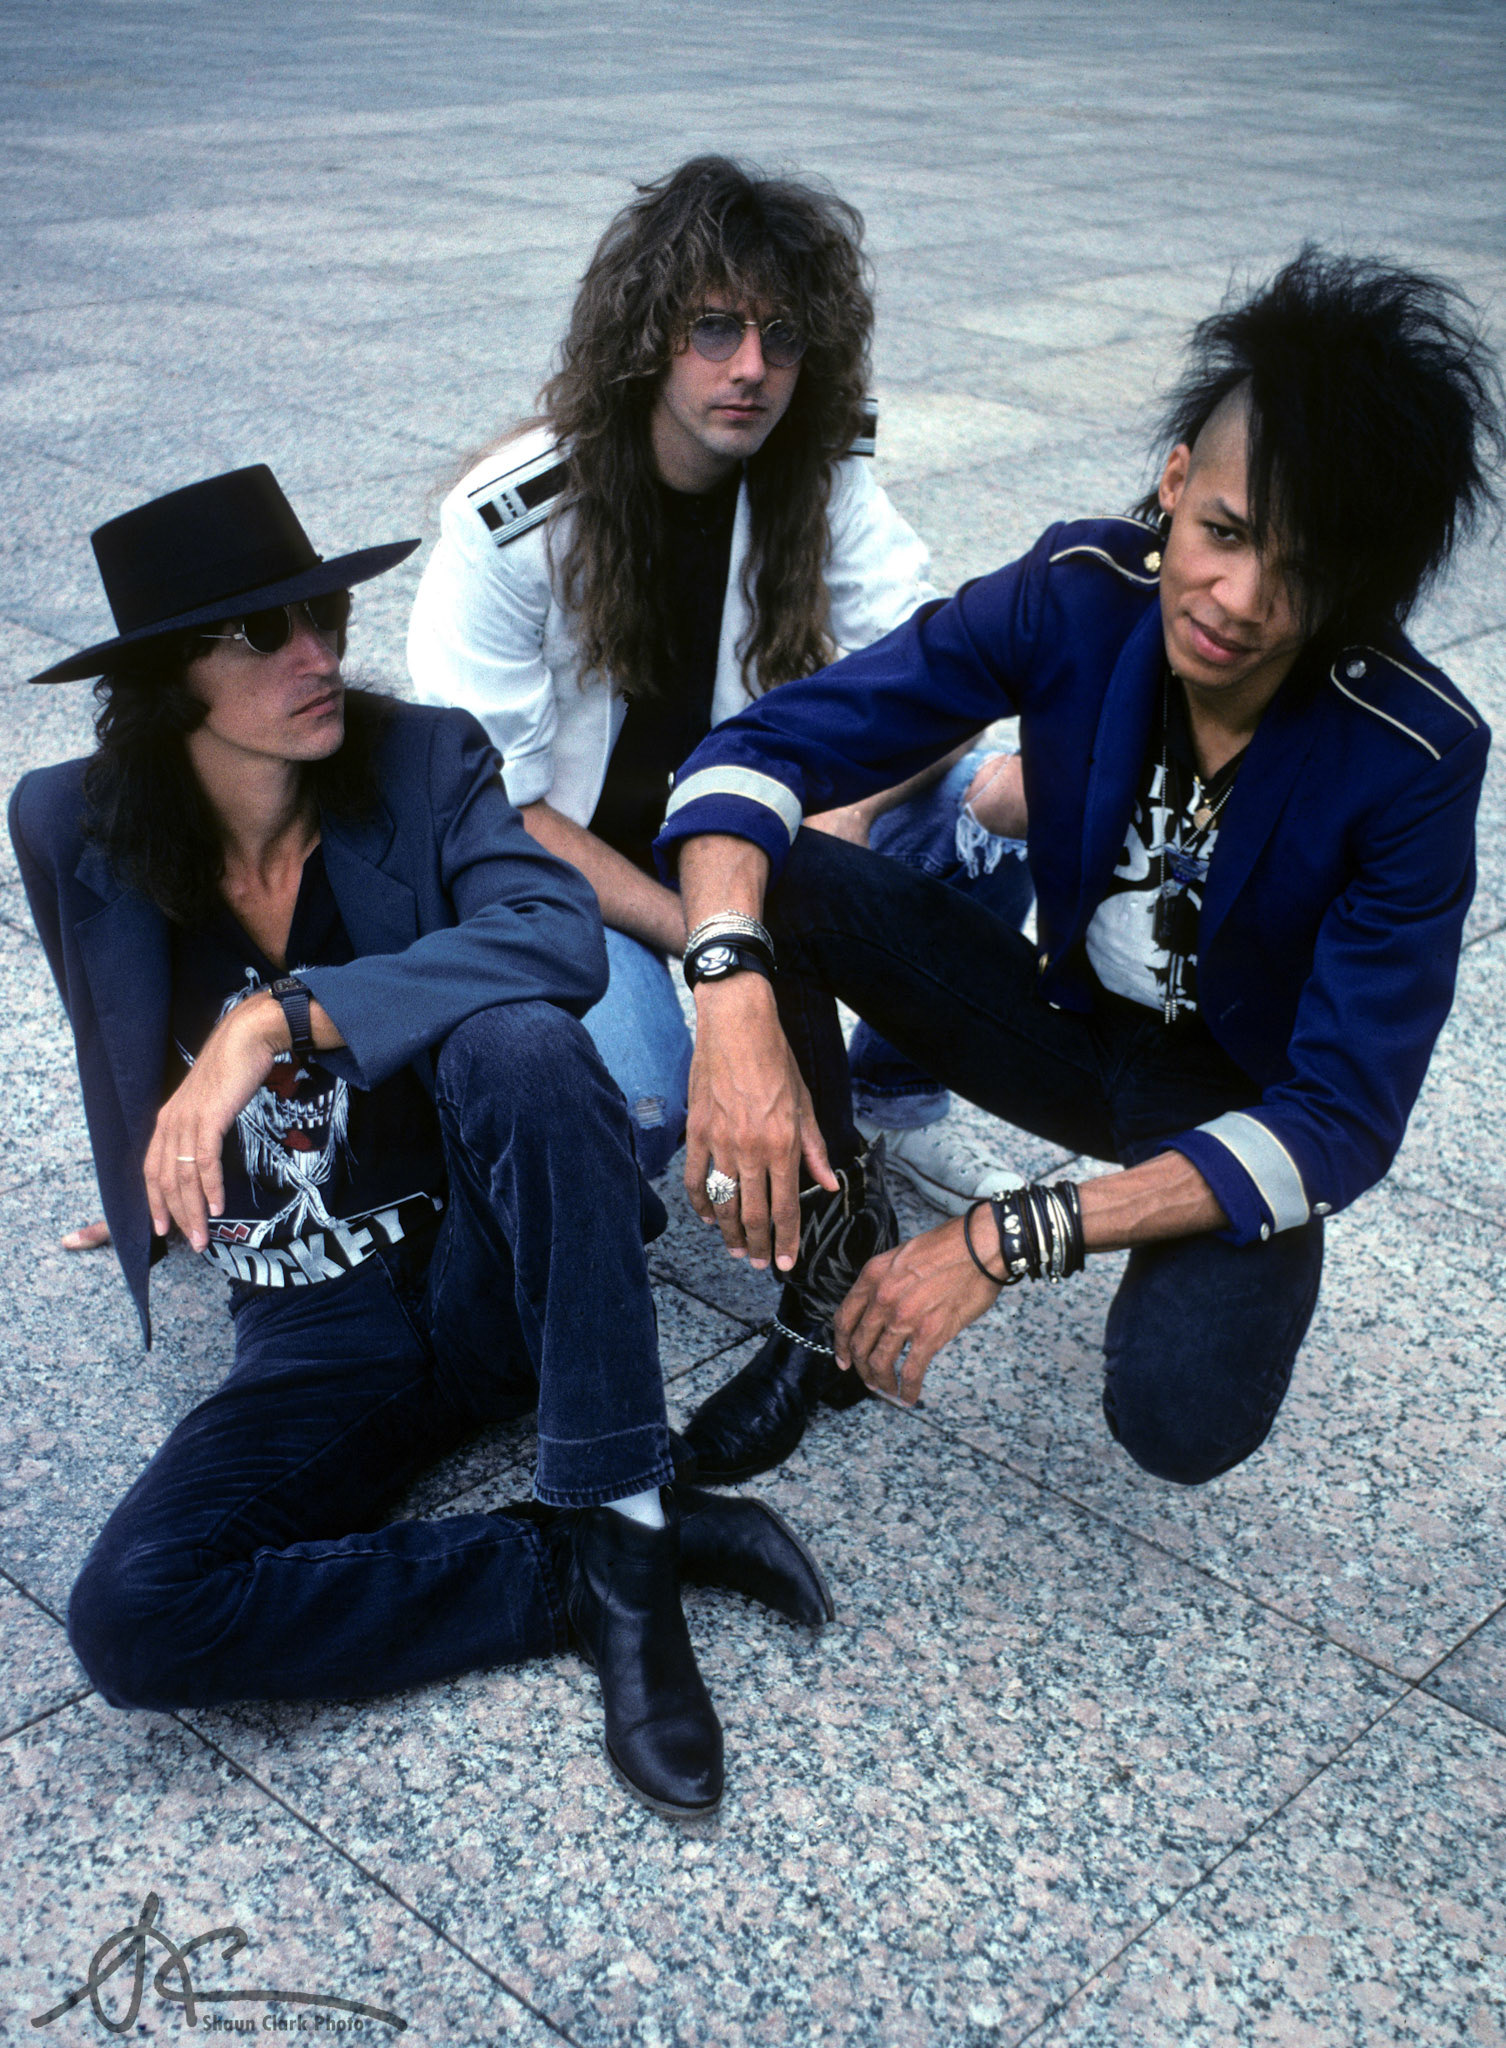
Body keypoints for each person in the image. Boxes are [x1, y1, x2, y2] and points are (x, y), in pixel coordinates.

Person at [10, 465, 835, 1819]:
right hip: (312, 1332)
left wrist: (271, 1025)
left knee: (519, 1040)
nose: (318, 653)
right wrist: (150, 1166)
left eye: (322, 615)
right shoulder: (70, 823)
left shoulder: (423, 759)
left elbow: (554, 937)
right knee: (132, 1622)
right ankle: (570, 1570)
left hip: (492, 1266)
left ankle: (620, 1512)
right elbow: (107, 1016)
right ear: (167, 678)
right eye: (261, 634)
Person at [655, 247, 1503, 1486]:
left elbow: (1343, 1116)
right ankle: (827, 1281)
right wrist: (726, 992)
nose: (1239, 598)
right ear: (1173, 485)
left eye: (1304, 570)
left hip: (1230, 1097)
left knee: (1181, 1414)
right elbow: (759, 748)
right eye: (1223, 531)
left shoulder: (1413, 752)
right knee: (777, 881)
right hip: (1054, 1020)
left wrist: (1017, 1230)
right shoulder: (1079, 593)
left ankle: (1126, 1239)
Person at [406, 153, 1031, 1218]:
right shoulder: (511, 520)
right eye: (715, 329)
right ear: (648, 333)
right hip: (585, 872)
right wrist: (718, 947)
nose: (751, 367)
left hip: (752, 832)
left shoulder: (814, 465)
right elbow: (497, 808)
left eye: (782, 337)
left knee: (1008, 802)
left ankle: (887, 1100)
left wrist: (851, 806)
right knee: (642, 1114)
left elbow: (944, 668)